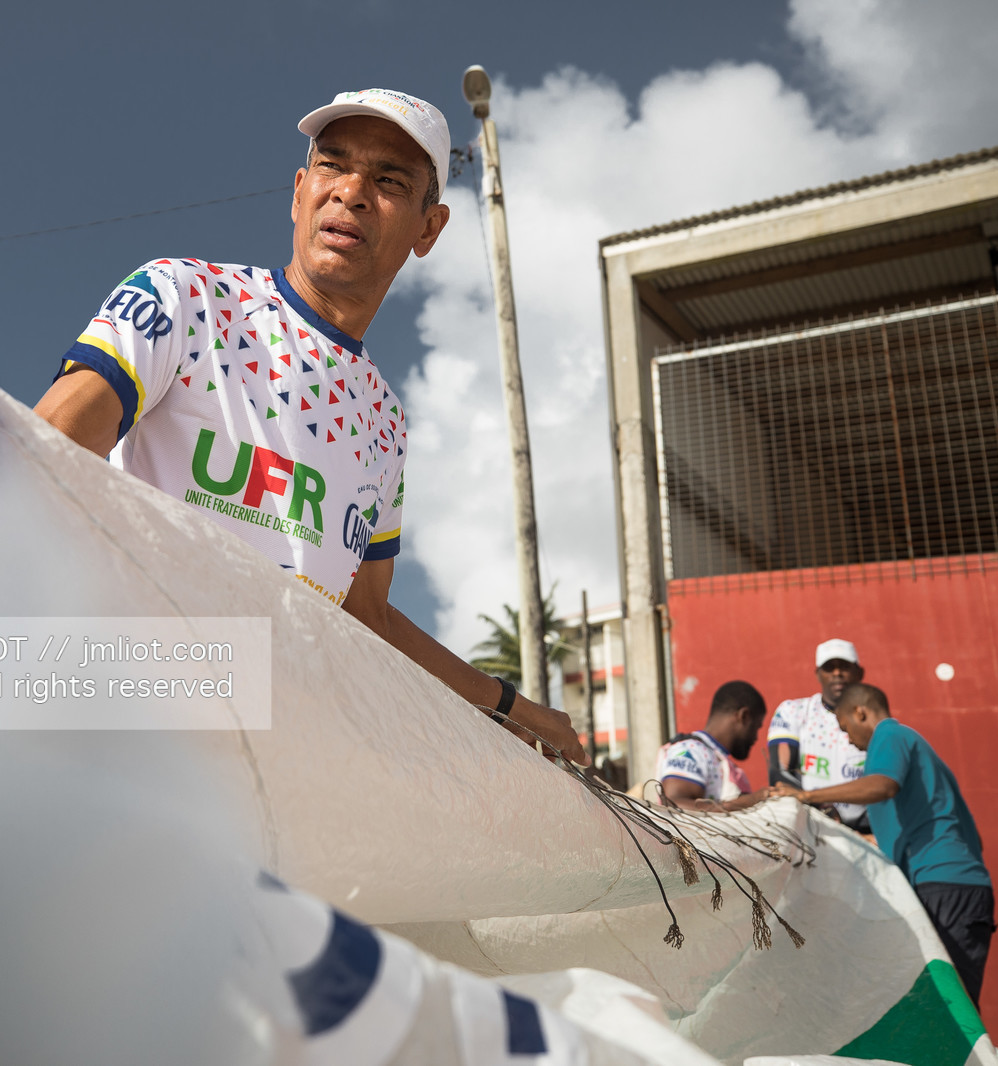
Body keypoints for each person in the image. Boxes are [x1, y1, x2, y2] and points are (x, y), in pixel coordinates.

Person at [32, 88, 587, 766]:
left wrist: (511, 708)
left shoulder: (385, 421)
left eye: (388, 181)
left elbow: (368, 619)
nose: (350, 192)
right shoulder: (185, 298)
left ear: (428, 229)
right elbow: (50, 447)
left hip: (285, 763)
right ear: (300, 191)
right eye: (333, 165)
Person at [771, 683, 995, 1007]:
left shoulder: (888, 736)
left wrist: (805, 796)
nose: (848, 739)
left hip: (944, 887)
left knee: (949, 1011)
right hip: (953, 887)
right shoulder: (915, 753)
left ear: (860, 712)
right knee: (941, 1008)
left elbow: (882, 786)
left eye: (846, 728)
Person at [767, 638, 871, 832]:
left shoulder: (873, 718)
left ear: (860, 673)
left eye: (844, 667)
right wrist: (822, 810)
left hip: (868, 832)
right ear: (818, 674)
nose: (837, 673)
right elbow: (779, 774)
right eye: (829, 668)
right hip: (812, 828)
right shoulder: (793, 711)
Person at [655, 681, 771, 812]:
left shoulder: (716, 757)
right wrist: (750, 800)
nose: (755, 737)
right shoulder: (691, 751)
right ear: (743, 716)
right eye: (756, 727)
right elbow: (672, 805)